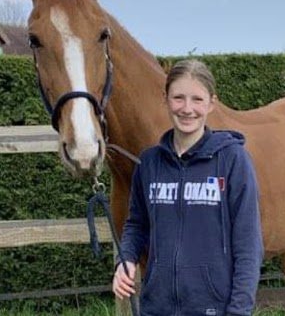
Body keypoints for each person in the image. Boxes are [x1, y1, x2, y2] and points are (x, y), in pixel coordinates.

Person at [112, 59, 263, 316]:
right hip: (156, 308)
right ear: (166, 99)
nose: (187, 108)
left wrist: (239, 310)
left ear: (211, 103)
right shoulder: (149, 164)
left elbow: (248, 245)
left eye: (197, 99)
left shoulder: (233, 161)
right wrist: (125, 258)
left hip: (213, 308)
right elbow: (136, 224)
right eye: (178, 98)